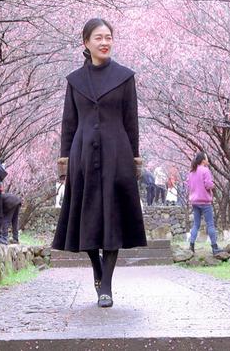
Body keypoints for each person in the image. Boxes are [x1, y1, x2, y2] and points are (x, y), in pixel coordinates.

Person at [52, 18, 146, 308]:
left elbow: (132, 121)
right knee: (86, 216)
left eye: (108, 37)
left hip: (117, 154)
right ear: (86, 42)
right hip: (82, 155)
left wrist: (134, 159)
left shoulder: (124, 76)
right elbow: (69, 123)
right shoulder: (75, 80)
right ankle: (96, 266)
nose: (104, 42)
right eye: (98, 38)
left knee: (114, 216)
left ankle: (106, 284)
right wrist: (65, 161)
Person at [186, 152, 224, 254]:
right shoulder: (205, 170)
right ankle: (215, 247)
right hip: (205, 201)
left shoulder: (191, 171)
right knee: (210, 224)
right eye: (207, 158)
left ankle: (191, 245)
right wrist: (212, 185)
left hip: (194, 201)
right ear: (203, 160)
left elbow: (189, 184)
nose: (208, 160)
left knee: (196, 224)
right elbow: (208, 185)